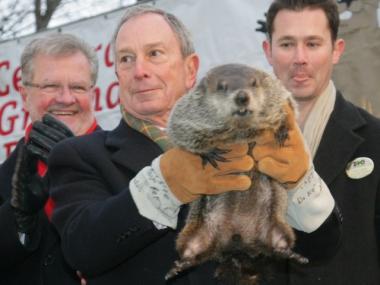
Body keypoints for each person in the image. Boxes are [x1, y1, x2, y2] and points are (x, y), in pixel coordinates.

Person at [47, 5, 341, 284]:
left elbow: (322, 248)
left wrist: (299, 182)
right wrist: (166, 183)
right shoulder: (81, 155)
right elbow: (82, 250)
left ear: (190, 69)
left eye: (154, 53)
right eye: (126, 59)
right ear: (118, 75)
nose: (139, 71)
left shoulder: (251, 137)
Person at [261, 0, 380, 284]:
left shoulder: (375, 140)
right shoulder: (236, 146)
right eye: (287, 44)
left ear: (336, 50)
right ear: (268, 51)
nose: (300, 58)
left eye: (313, 44)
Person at [0, 33, 99, 285]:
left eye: (77, 87)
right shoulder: (2, 179)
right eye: (50, 86)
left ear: (93, 95)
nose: (65, 98)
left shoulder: (131, 166)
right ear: (24, 96)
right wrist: (20, 219)